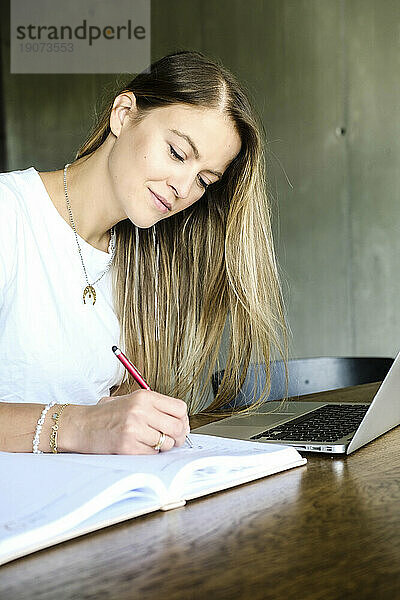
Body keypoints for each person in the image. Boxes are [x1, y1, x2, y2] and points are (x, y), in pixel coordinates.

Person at [0, 50, 288, 455]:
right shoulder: (9, 213)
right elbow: (81, 425)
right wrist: (78, 425)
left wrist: (131, 421)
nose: (184, 189)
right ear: (124, 113)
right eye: (177, 153)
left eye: (205, 180)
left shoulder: (139, 261)